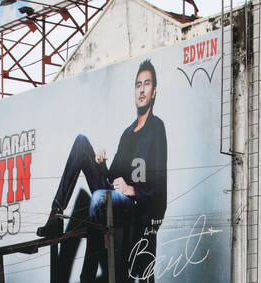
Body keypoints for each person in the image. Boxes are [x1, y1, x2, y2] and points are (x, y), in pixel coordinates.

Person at [36, 59, 167, 241]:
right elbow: (112, 177)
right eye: (138, 85)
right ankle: (56, 215)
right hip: (114, 195)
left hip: (134, 205)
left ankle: (98, 243)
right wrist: (101, 165)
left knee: (98, 197)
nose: (142, 90)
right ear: (134, 92)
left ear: (154, 92)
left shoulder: (157, 128)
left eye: (147, 84)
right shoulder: (127, 133)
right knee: (81, 141)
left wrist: (132, 190)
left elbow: (160, 187)